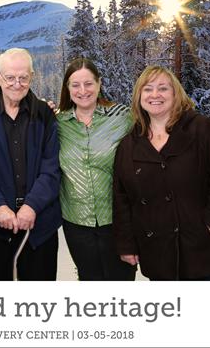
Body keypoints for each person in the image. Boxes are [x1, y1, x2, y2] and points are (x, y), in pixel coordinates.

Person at [113, 65, 210, 281]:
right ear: (139, 96)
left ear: (175, 94)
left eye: (163, 88)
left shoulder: (201, 129)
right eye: (148, 89)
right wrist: (126, 243)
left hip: (204, 249)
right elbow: (122, 199)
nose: (155, 95)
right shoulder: (129, 144)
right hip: (157, 251)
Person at [0, 47, 62, 281]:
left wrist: (31, 206)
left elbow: (51, 167)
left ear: (32, 76)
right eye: (10, 77)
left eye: (23, 77)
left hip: (40, 227)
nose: (17, 84)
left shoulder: (44, 114)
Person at [57, 58, 136, 281]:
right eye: (75, 85)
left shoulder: (123, 118)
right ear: (67, 88)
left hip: (117, 220)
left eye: (88, 83)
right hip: (76, 222)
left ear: (99, 83)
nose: (83, 91)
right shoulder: (57, 123)